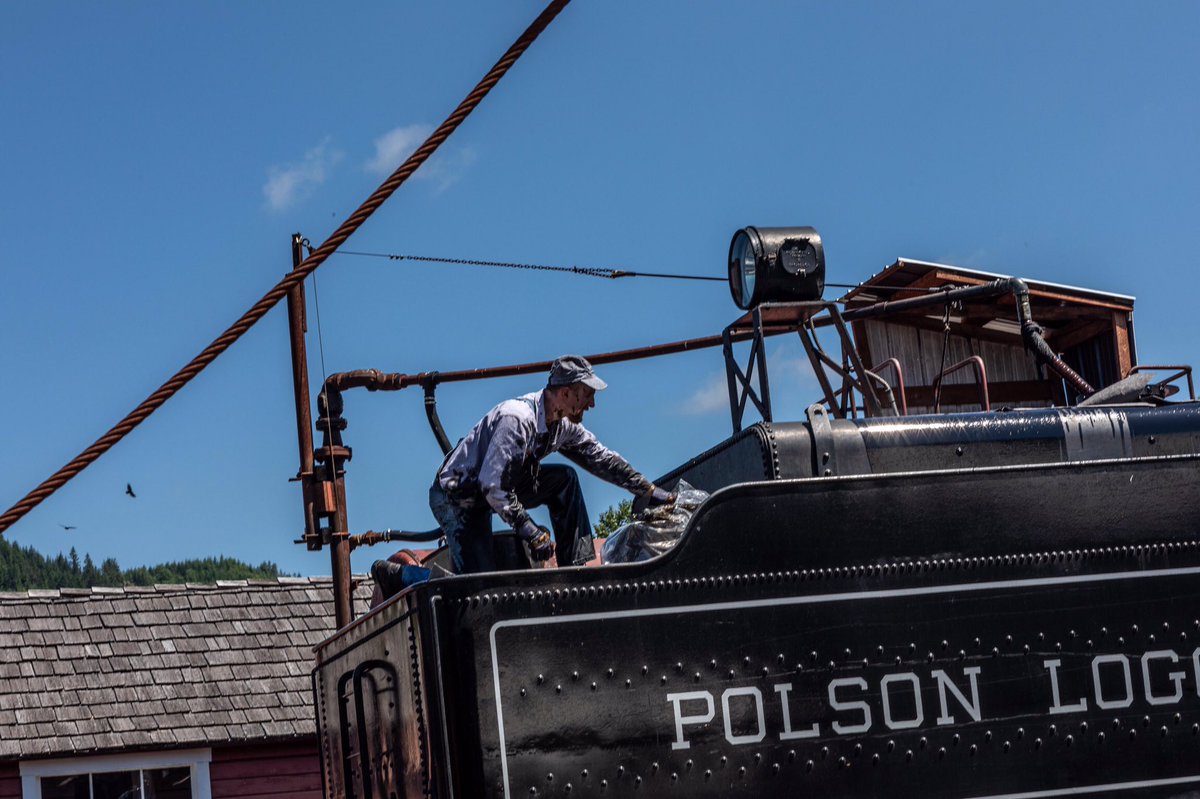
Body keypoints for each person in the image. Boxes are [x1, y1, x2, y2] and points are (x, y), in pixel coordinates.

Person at [373, 355, 673, 596]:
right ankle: (401, 575)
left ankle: (575, 570)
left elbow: (601, 458)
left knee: (564, 480)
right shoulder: (516, 419)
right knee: (477, 590)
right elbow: (493, 487)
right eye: (587, 395)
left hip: (503, 485)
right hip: (458, 497)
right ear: (566, 392)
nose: (592, 404)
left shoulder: (562, 424)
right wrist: (530, 531)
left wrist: (646, 490)